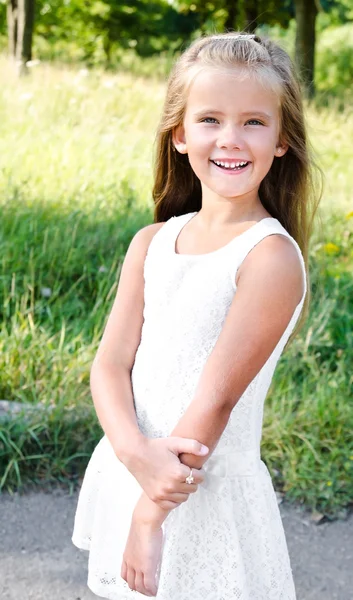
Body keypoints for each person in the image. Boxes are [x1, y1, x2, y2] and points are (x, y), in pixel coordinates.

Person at [72, 31, 320, 599]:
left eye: (254, 122)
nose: (231, 139)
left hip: (201, 498)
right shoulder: (152, 242)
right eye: (210, 119)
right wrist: (137, 461)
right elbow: (110, 365)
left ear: (282, 140)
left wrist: (150, 515)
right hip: (135, 473)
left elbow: (215, 400)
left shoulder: (269, 256)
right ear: (180, 135)